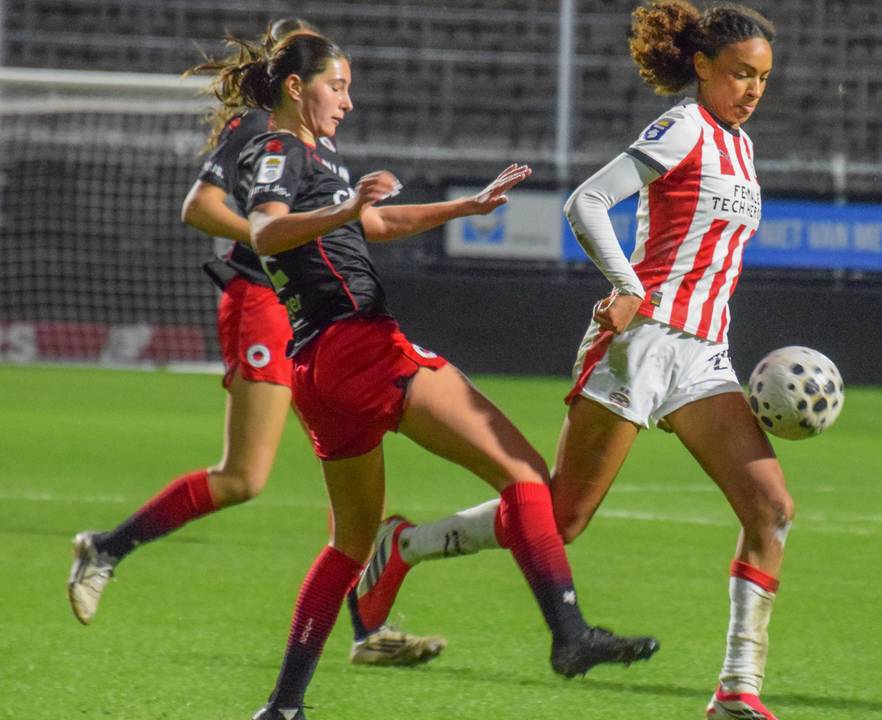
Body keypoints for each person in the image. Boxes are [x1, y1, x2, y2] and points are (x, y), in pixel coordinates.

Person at [351, 2, 788, 717]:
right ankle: (403, 547)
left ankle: (737, 691)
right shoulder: (684, 128)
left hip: (705, 356)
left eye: (762, 78)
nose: (752, 88)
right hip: (641, 342)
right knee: (563, 515)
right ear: (702, 67)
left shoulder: (740, 146)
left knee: (770, 510)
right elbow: (587, 202)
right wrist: (627, 286)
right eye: (740, 73)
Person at [211, 31, 657, 720]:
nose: (348, 102)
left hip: (317, 369)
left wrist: (464, 207)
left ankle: (283, 706)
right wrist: (346, 208)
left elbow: (373, 228)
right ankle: (570, 635)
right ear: (296, 88)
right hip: (359, 344)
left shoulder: (317, 152)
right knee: (526, 476)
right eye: (337, 86)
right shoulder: (279, 149)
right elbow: (266, 231)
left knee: (349, 545)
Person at [66, 18, 444, 669]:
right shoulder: (258, 130)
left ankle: (363, 630)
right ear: (287, 76)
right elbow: (199, 206)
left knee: (349, 479)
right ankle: (105, 548)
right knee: (244, 476)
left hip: (318, 321)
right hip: (264, 304)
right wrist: (276, 241)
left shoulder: (315, 145)